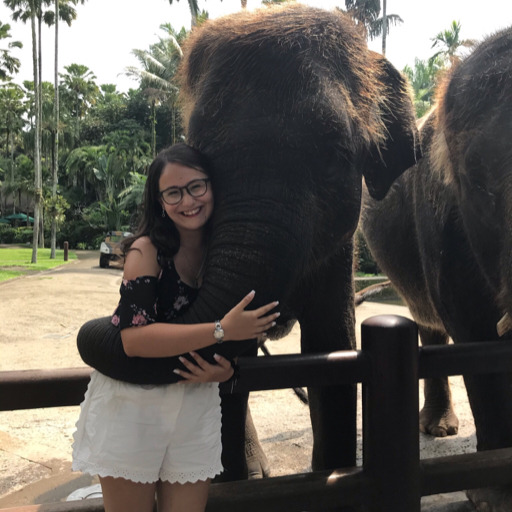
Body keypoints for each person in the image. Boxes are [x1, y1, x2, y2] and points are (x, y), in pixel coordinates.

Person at [72, 143, 279, 512]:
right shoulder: (146, 252)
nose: (188, 201)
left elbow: (246, 330)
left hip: (194, 404)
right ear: (160, 202)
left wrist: (228, 367)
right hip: (134, 405)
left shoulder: (227, 252)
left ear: (213, 186)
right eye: (173, 192)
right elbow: (134, 340)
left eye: (197, 186)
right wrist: (220, 331)